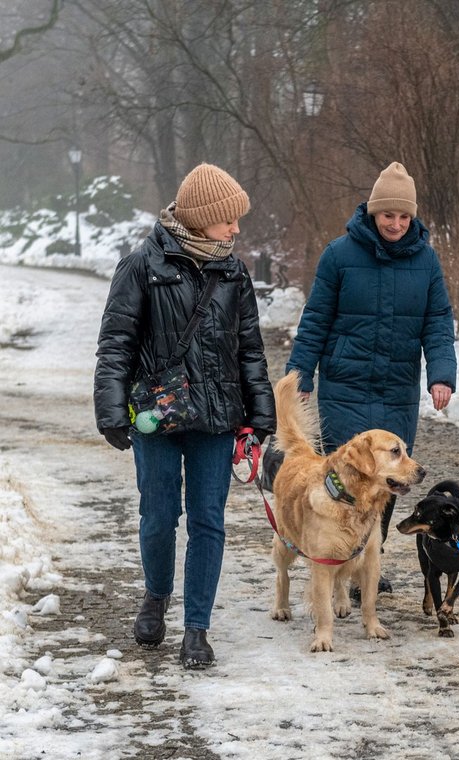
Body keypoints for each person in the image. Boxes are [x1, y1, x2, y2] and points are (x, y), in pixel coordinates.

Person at [94, 163, 276, 668]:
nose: (236, 229)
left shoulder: (233, 271)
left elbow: (250, 350)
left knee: (208, 521)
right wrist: (111, 409)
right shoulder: (140, 266)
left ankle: (197, 628)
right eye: (228, 220)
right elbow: (116, 344)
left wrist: (261, 415)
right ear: (199, 220)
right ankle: (155, 595)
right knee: (157, 517)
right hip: (157, 415)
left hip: (217, 419)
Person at [284, 161, 457, 593]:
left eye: (403, 216)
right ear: (372, 213)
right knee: (346, 480)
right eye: (387, 215)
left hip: (397, 388)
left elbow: (438, 320)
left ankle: (365, 567)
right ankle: (337, 558)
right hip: (346, 385)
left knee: (387, 481)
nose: (396, 223)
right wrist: (301, 372)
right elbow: (317, 317)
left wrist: (441, 374)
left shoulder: (427, 261)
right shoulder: (339, 255)